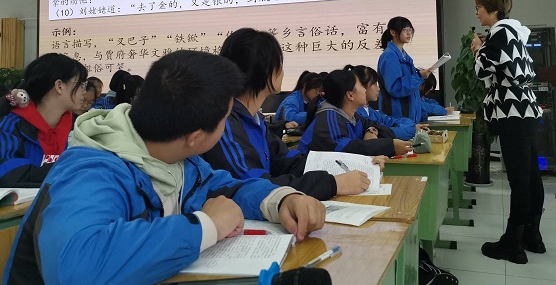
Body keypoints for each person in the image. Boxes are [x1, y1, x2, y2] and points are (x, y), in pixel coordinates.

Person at [3, 50, 325, 285]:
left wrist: (280, 200)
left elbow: (225, 187)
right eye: (226, 119)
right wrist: (205, 227)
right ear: (196, 136)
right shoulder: (93, 170)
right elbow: (77, 265)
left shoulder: (179, 159)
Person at [201, 29, 376, 200]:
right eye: (279, 64)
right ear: (266, 70)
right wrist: (332, 184)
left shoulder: (255, 119)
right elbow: (255, 186)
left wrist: (359, 166)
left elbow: (286, 160)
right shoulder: (225, 123)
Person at [471, 0, 544, 264]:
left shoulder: (499, 33)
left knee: (519, 181)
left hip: (511, 112)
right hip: (525, 109)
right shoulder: (515, 32)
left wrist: (477, 50)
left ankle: (513, 244)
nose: (476, 13)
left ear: (493, 9)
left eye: (479, 7)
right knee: (531, 177)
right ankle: (532, 236)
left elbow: (482, 70)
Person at [0, 53, 87, 188]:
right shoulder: (11, 125)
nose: (84, 91)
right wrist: (67, 170)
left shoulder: (75, 127)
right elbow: (9, 173)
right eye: (81, 84)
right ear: (59, 86)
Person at [298, 69, 414, 157]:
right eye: (362, 86)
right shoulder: (328, 117)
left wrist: (370, 130)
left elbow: (376, 126)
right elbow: (347, 150)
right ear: (350, 95)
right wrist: (390, 146)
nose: (365, 90)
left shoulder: (352, 116)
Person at [346, 64, 429, 140]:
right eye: (374, 84)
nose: (378, 88)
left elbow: (390, 121)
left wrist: (413, 125)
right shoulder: (356, 114)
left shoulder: (370, 111)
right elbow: (384, 132)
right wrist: (413, 129)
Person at [377, 16, 433, 123]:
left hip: (408, 119)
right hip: (397, 118)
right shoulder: (389, 56)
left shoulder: (404, 57)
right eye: (404, 30)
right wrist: (419, 76)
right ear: (393, 32)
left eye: (410, 30)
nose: (409, 33)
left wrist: (422, 118)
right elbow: (395, 88)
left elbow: (413, 93)